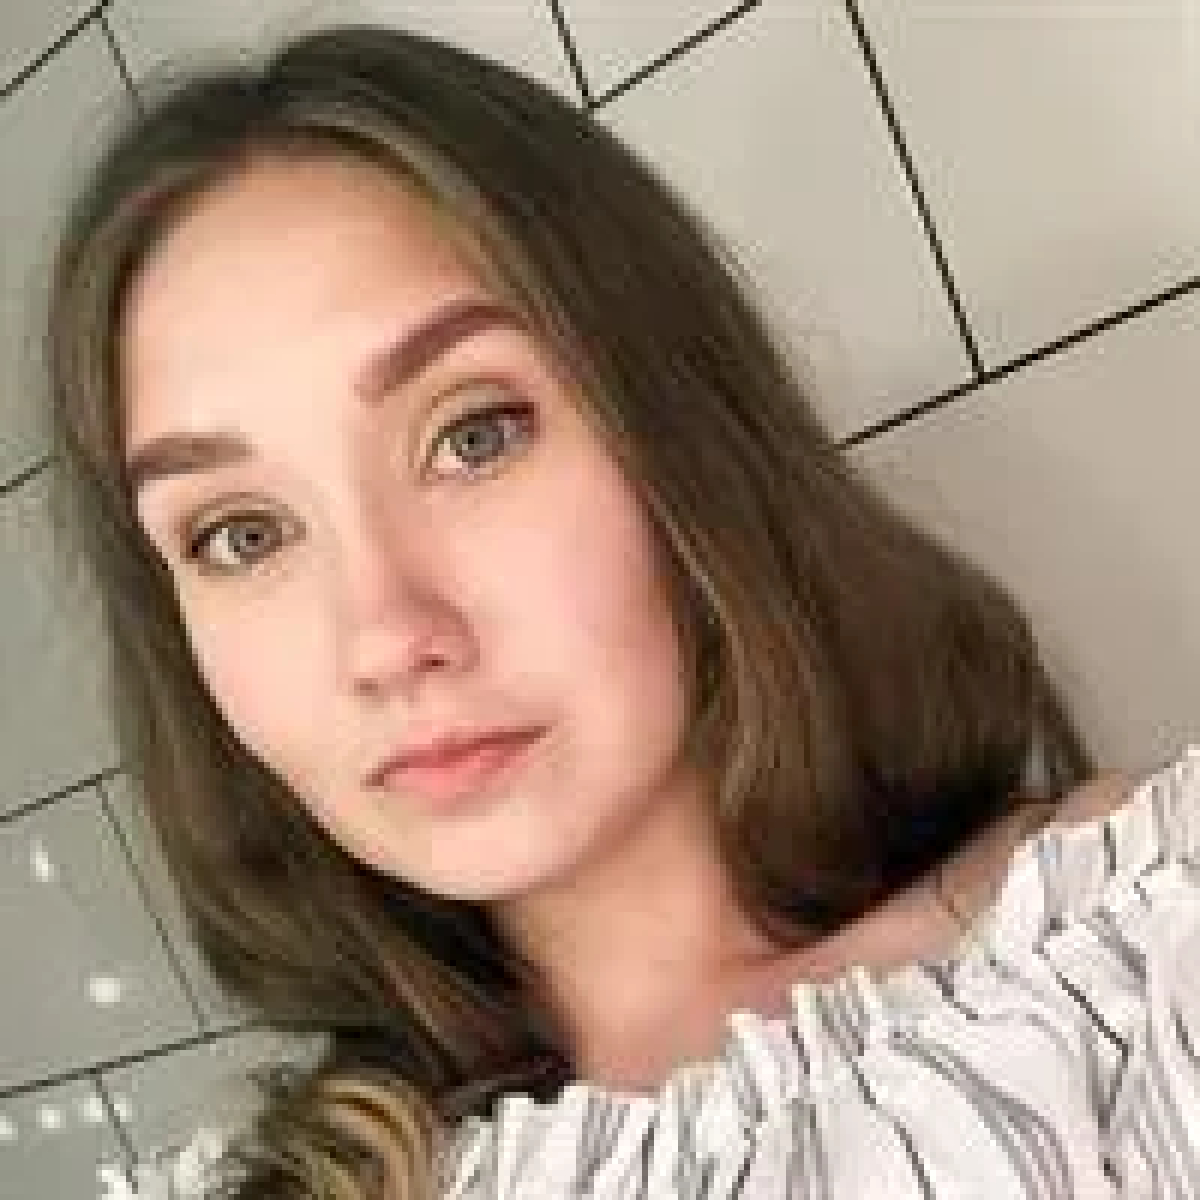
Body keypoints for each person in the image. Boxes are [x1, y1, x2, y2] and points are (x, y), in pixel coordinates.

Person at [44, 23, 1196, 1200]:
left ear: (679, 431)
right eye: (241, 534)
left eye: (473, 435)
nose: (384, 637)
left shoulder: (1137, 963)